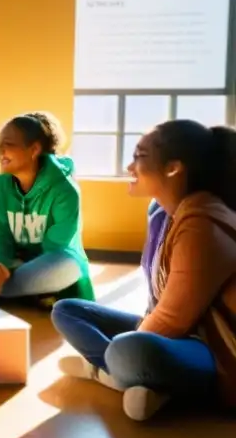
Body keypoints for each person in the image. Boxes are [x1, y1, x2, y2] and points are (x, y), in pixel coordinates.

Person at [52, 120, 236, 422]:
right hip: (183, 336)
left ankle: (107, 372)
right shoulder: (166, 213)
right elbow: (158, 305)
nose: (129, 166)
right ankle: (135, 382)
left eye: (140, 156)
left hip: (216, 355)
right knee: (68, 311)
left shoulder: (203, 223)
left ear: (173, 168)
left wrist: (125, 349)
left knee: (133, 349)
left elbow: (172, 321)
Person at [0, 112, 93, 303]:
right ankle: (26, 292)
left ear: (34, 149)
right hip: (14, 263)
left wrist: (14, 270)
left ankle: (0, 289)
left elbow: (56, 248)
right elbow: (0, 238)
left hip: (49, 262)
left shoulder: (64, 190)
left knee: (68, 266)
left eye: (8, 144)